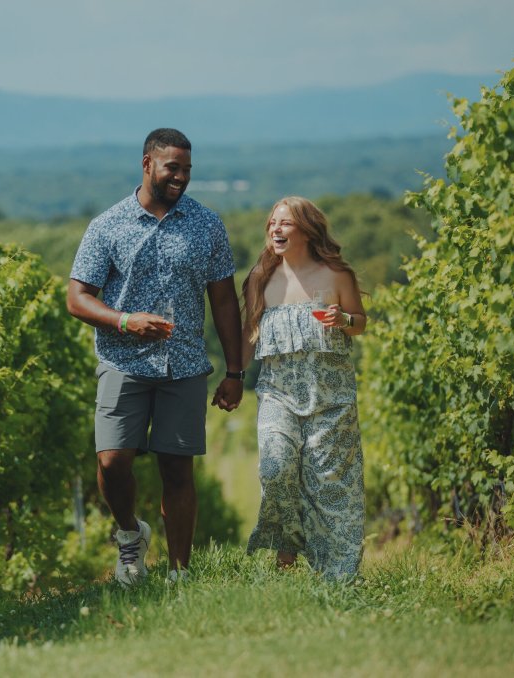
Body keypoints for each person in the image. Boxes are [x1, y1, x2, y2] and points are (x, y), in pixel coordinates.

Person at [67, 128, 245, 585]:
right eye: (173, 168)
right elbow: (77, 298)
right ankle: (130, 537)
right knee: (111, 461)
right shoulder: (108, 225)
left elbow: (224, 300)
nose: (181, 177)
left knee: (177, 468)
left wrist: (235, 370)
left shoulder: (207, 224)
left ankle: (179, 573)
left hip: (184, 364)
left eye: (187, 169)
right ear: (147, 164)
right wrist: (126, 321)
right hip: (122, 360)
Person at [240, 196, 367, 580]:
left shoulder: (336, 276)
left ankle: (336, 573)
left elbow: (359, 323)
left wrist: (342, 318)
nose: (275, 230)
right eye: (272, 223)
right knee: (275, 466)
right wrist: (231, 379)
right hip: (277, 395)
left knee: (331, 487)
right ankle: (287, 545)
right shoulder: (260, 279)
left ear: (307, 231)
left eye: (286, 224)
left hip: (332, 400)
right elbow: (250, 337)